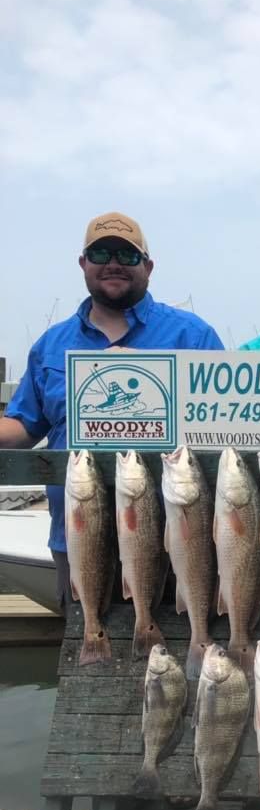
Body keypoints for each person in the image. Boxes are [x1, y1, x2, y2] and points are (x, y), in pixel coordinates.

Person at [0, 211, 224, 605]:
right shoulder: (51, 345)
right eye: (101, 253)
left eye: (128, 255)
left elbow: (225, 425)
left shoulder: (194, 335)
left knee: (178, 656)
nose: (114, 264)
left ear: (148, 267)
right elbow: (23, 425)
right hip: (79, 534)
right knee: (88, 648)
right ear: (83, 263)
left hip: (175, 536)